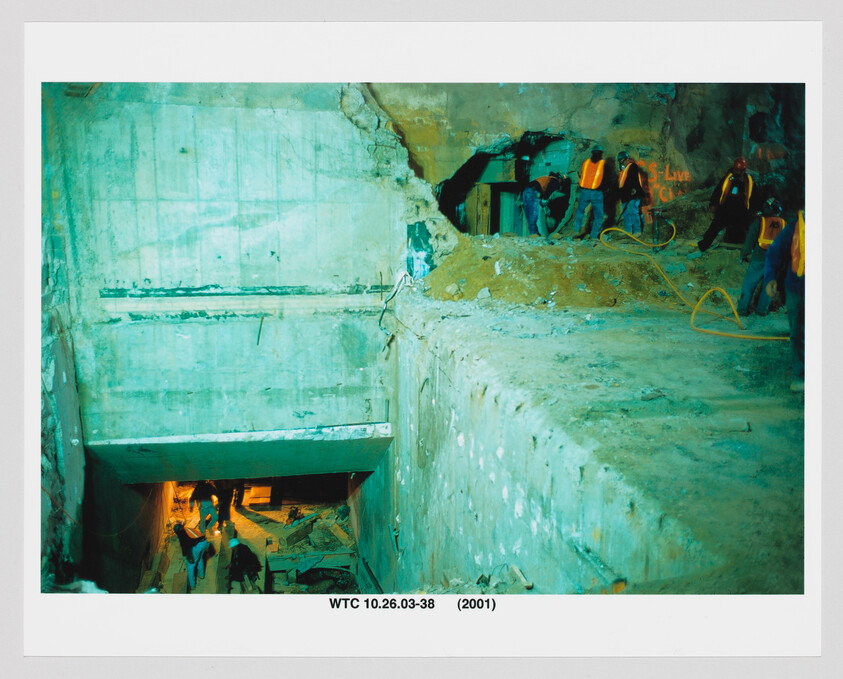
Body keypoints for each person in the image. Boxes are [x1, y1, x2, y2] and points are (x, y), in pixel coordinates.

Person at [764, 209, 805, 392]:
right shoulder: (795, 226)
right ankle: (801, 375)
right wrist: (770, 277)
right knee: (797, 333)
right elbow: (775, 252)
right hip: (797, 288)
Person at [697, 157, 758, 252]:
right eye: (737, 170)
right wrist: (713, 204)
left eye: (740, 171)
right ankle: (703, 245)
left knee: (746, 230)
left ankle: (751, 248)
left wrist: (754, 210)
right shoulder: (727, 179)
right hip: (726, 209)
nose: (738, 173)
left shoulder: (749, 182)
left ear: (744, 170)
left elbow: (754, 196)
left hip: (742, 211)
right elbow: (718, 191)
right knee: (715, 227)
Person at [738, 197, 786, 316]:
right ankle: (762, 311)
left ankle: (742, 310)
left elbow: (750, 240)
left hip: (759, 258)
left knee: (749, 285)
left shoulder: (760, 222)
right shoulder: (784, 223)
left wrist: (743, 254)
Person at [572, 145, 607, 239]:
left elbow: (582, 174)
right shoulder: (603, 163)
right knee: (598, 215)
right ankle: (594, 236)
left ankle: (576, 231)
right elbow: (606, 178)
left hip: (584, 191)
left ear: (592, 153)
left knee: (580, 211)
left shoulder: (586, 162)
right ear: (601, 154)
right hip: (597, 192)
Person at [521, 172, 569, 236]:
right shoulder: (555, 181)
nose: (561, 184)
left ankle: (533, 233)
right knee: (533, 214)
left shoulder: (547, 179)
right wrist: (545, 204)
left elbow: (544, 195)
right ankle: (533, 234)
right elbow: (547, 193)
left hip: (526, 191)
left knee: (530, 214)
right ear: (560, 178)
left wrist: (544, 205)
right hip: (533, 192)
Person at [173, 522, 210, 591]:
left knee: (190, 567)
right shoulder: (187, 529)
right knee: (199, 558)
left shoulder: (181, 534)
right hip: (204, 542)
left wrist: (187, 557)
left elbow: (185, 547)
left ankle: (192, 585)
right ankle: (201, 575)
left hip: (197, 546)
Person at [616, 151, 645, 236]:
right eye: (620, 161)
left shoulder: (633, 166)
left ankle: (637, 231)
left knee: (633, 212)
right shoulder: (624, 170)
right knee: (626, 214)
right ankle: (628, 231)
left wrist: (634, 189)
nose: (621, 162)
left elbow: (634, 180)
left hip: (632, 195)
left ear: (627, 159)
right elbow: (622, 183)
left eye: (622, 160)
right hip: (625, 196)